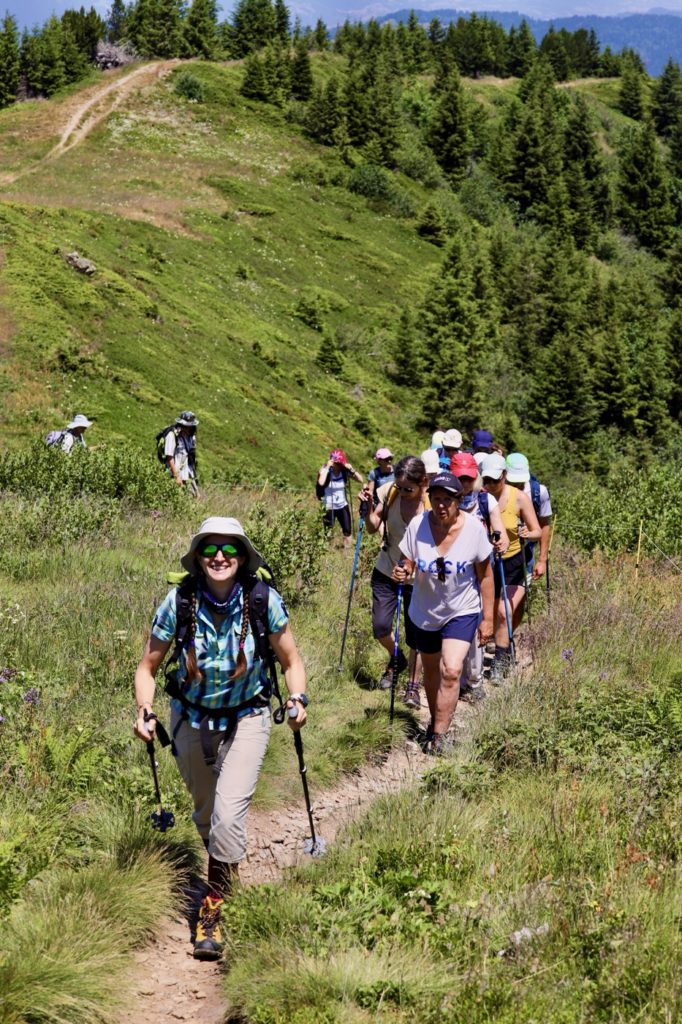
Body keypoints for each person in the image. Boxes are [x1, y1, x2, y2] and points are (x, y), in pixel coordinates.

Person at [133, 517, 307, 961]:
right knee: (208, 817)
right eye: (211, 549)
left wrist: (297, 698)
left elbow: (290, 661)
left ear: (243, 557)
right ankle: (226, 877)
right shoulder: (180, 601)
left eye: (230, 549)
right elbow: (147, 668)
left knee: (228, 818)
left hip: (247, 717)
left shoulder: (262, 599)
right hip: (189, 718)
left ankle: (212, 914)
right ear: (198, 557)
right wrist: (145, 711)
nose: (220, 557)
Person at [394, 472, 494, 755]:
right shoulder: (418, 525)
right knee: (432, 674)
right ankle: (435, 721)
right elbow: (408, 561)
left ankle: (439, 734)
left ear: (458, 501)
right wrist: (404, 571)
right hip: (425, 611)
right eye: (436, 499)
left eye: (447, 500)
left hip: (462, 609)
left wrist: (487, 619)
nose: (441, 505)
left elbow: (486, 577)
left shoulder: (474, 529)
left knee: (451, 670)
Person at [359, 456, 427, 705]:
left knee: (416, 637)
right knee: (380, 627)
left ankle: (412, 686)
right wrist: (367, 511)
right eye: (400, 487)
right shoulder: (390, 492)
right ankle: (396, 657)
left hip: (418, 578)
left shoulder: (431, 505)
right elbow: (372, 526)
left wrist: (413, 567)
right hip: (386, 568)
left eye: (409, 489)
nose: (404, 492)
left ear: (423, 483)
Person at [450, 451, 508, 700]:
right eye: (460, 477)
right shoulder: (444, 500)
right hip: (451, 572)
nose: (464, 482)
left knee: (475, 625)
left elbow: (501, 533)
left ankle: (473, 681)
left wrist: (500, 542)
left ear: (475, 477)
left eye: (468, 478)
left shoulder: (486, 502)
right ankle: (453, 676)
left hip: (480, 571)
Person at [479, 453, 541, 678]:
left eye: (495, 480)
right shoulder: (480, 498)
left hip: (514, 561)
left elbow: (537, 531)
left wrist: (528, 533)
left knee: (503, 612)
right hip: (486, 563)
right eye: (486, 480)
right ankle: (487, 656)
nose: (491, 485)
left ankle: (500, 661)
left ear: (504, 476)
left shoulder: (519, 498)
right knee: (488, 613)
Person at [505, 452, 552, 585]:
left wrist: (542, 561)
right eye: (513, 481)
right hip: (499, 553)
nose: (517, 484)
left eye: (520, 481)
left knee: (520, 595)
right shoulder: (496, 490)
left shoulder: (539, 492)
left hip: (526, 552)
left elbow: (544, 525)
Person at [316, 449, 363, 549]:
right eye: (337, 463)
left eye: (341, 463)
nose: (339, 466)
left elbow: (360, 480)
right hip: (329, 506)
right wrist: (328, 467)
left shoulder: (344, 472)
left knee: (347, 531)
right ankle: (327, 551)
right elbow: (321, 482)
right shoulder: (325, 470)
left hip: (342, 505)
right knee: (328, 532)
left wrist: (352, 469)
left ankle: (346, 554)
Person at [165, 411, 199, 496]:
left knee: (195, 496)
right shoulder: (172, 435)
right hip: (174, 473)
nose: (188, 428)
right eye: (186, 426)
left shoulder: (191, 437)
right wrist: (176, 476)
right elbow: (169, 456)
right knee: (177, 497)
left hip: (188, 473)